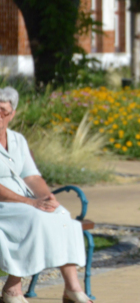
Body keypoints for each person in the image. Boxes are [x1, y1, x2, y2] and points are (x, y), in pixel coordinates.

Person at [0, 88, 91, 303]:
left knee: (61, 214)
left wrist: (48, 198)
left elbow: (32, 177)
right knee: (34, 217)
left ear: (12, 114)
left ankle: (72, 287)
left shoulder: (17, 139)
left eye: (4, 111)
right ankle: (13, 288)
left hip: (23, 202)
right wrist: (31, 202)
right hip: (5, 203)